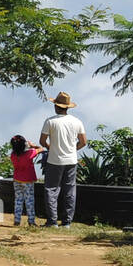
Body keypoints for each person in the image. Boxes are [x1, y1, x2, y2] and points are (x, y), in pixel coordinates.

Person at [38, 91, 87, 228]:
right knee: (70, 190)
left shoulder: (50, 121)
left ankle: (52, 221)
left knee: (51, 189)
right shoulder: (77, 122)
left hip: (54, 160)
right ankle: (67, 222)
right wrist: (72, 149)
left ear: (56, 106)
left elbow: (42, 141)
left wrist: (51, 147)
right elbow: (83, 142)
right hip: (71, 160)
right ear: (67, 107)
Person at [9, 134, 44, 227]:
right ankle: (31, 221)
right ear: (24, 145)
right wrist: (32, 145)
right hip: (28, 180)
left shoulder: (12, 155)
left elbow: (18, 151)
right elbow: (41, 149)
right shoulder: (30, 153)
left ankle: (17, 220)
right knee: (29, 201)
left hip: (17, 180)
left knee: (18, 200)